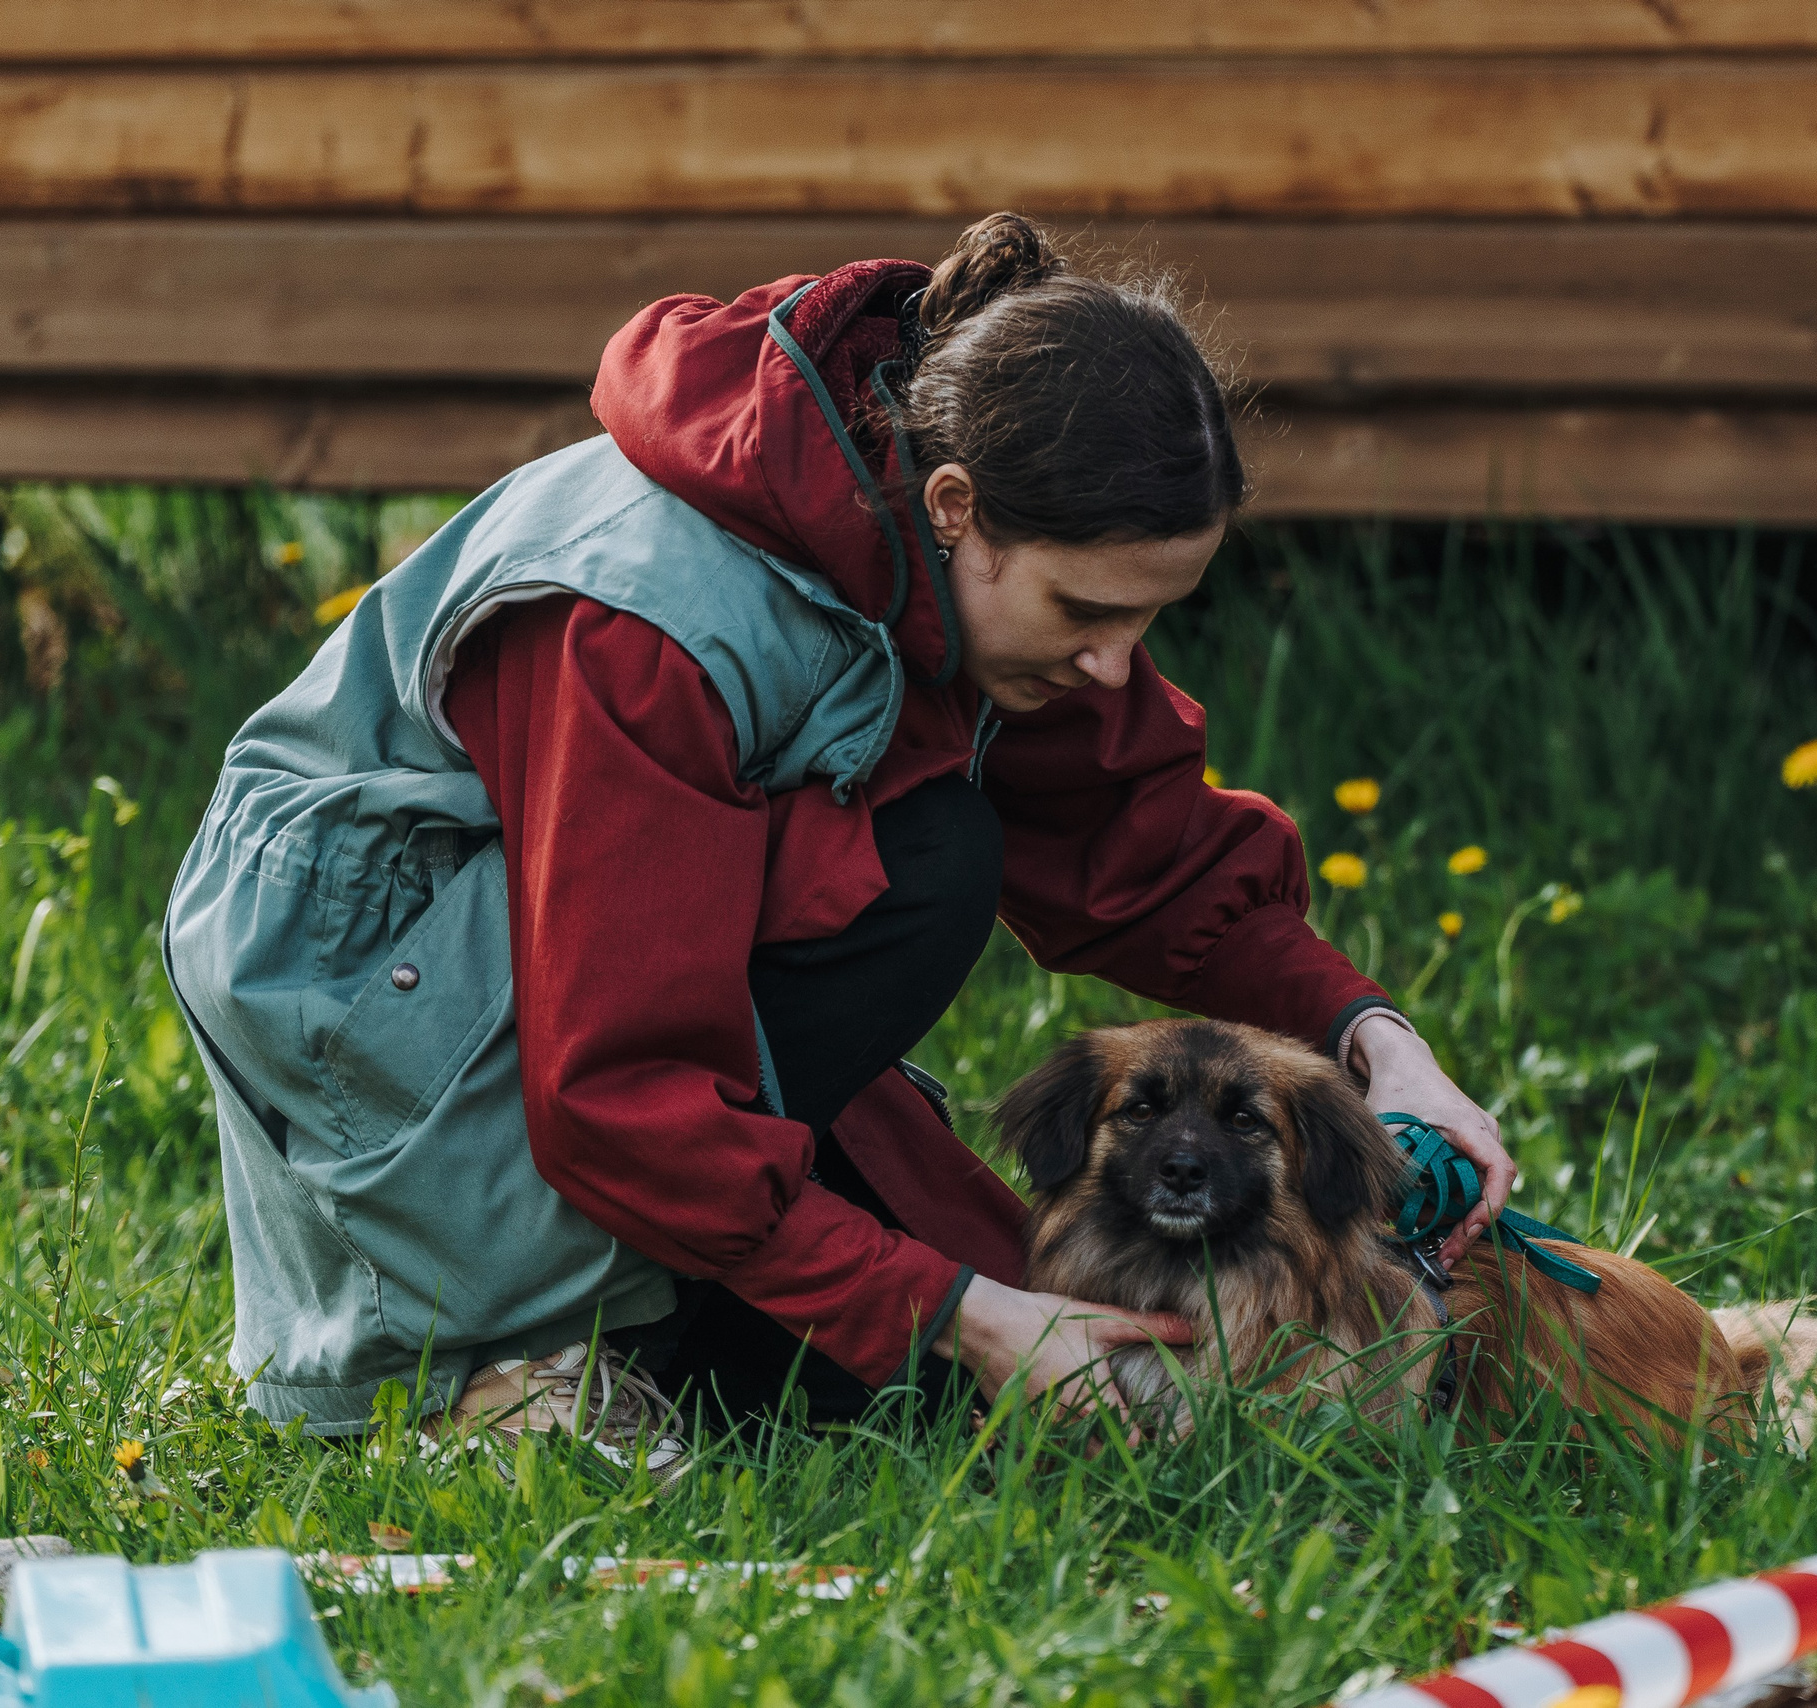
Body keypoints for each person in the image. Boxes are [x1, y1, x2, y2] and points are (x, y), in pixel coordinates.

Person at [162, 213, 1516, 1480]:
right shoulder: (645, 629)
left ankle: (674, 1302)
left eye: (1150, 620)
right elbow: (617, 1080)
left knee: (962, 1393)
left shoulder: (941, 568)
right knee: (926, 880)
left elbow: (1141, 851)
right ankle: (496, 1357)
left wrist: (1376, 1041)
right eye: (1088, 611)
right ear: (951, 506)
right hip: (376, 984)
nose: (1118, 665)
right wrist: (946, 1306)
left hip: (586, 967)